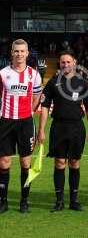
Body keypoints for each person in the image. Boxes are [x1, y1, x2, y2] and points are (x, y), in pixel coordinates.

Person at [37, 50, 88, 212]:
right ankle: (59, 201)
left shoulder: (83, 83)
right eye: (63, 62)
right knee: (60, 163)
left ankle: (74, 200)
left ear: (74, 62)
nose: (65, 65)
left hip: (77, 127)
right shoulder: (53, 82)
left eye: (68, 62)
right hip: (59, 127)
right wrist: (41, 130)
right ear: (60, 64)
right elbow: (44, 107)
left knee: (75, 163)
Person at [0, 39, 42, 214]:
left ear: (27, 53)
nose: (19, 54)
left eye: (22, 51)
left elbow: (37, 97)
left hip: (25, 123)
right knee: (4, 162)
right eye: (16, 51)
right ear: (12, 52)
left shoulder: (34, 75)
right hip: (5, 122)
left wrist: (27, 112)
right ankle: (3, 201)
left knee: (26, 163)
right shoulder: (2, 73)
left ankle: (24, 200)